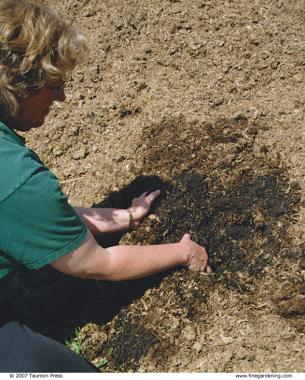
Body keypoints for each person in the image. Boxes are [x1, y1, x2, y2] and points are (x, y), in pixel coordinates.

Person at [0, 0, 211, 373]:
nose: (62, 98)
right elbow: (95, 263)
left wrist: (122, 217)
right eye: (54, 85)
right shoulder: (14, 175)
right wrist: (182, 253)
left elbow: (19, 214)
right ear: (19, 86)